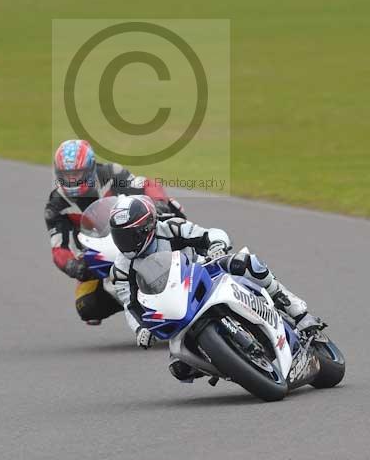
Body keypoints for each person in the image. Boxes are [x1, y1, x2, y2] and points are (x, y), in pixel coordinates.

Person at [108, 194, 313, 382]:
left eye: (130, 235)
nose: (125, 243)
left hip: (204, 272)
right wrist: (141, 328)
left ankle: (295, 308)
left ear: (148, 227)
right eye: (119, 237)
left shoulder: (171, 227)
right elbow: (131, 305)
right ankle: (227, 363)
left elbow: (209, 234)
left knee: (247, 263)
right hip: (173, 305)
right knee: (180, 368)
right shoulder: (121, 269)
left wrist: (216, 244)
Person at [44, 138, 185, 325]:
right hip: (99, 258)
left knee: (171, 208)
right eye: (66, 174)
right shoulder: (56, 205)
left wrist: (158, 201)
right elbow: (58, 249)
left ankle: (189, 249)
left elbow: (147, 184)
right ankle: (130, 298)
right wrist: (73, 266)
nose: (71, 180)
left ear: (90, 167)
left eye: (76, 173)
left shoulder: (111, 174)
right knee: (86, 307)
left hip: (134, 235)